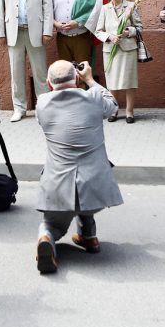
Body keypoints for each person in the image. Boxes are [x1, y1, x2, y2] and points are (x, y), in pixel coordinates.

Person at [34, 60, 123, 274]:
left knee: (51, 223)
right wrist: (90, 80)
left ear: (48, 83)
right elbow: (113, 106)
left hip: (57, 191)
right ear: (76, 78)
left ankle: (46, 237)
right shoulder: (93, 98)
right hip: (96, 189)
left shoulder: (42, 104)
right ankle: (89, 237)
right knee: (83, 199)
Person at [0, 0, 53, 121]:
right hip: (14, 32)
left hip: (36, 31)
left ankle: (43, 108)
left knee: (41, 72)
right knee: (16, 72)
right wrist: (0, 33)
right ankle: (19, 109)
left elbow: (47, 7)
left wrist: (47, 30)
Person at [94, 0, 142, 123]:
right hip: (110, 50)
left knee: (129, 81)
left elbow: (139, 28)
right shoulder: (104, 8)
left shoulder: (131, 6)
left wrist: (129, 31)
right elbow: (98, 31)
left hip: (128, 49)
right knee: (112, 82)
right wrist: (109, 37)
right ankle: (113, 110)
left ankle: (129, 111)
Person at [51, 0, 92, 66]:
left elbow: (92, 11)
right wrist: (55, 24)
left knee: (82, 70)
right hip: (62, 37)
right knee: (66, 70)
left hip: (81, 36)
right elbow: (47, 12)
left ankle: (83, 83)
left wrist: (78, 23)